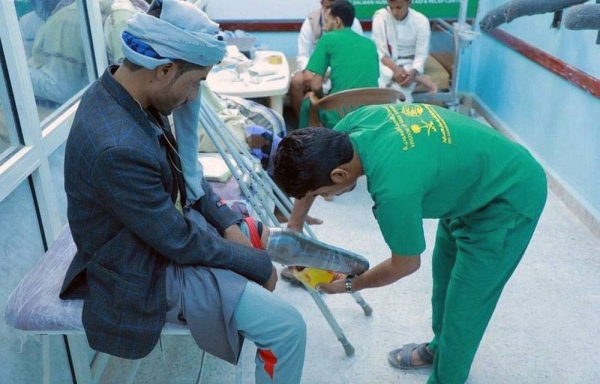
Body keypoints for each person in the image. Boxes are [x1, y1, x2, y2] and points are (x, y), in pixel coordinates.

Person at [59, 1, 306, 382]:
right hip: (141, 265)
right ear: (165, 69)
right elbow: (178, 242)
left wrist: (226, 222)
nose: (193, 98)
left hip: (158, 236)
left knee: (255, 233)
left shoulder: (127, 93)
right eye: (195, 84)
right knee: (287, 328)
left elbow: (183, 174)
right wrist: (253, 264)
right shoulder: (117, 146)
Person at [273, 103, 547, 384]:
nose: (327, 197)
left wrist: (349, 284)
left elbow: (405, 264)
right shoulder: (353, 128)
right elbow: (309, 174)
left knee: (466, 307)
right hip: (469, 182)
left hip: (509, 196)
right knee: (443, 281)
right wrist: (294, 229)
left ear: (339, 175)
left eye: (324, 193)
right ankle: (439, 348)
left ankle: (447, 377)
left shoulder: (393, 191)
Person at [297, 0, 379, 129]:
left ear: (337, 21)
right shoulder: (370, 44)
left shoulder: (328, 39)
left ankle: (303, 145)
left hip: (341, 114)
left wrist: (320, 96)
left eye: (327, 21)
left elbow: (316, 85)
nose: (324, 27)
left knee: (309, 101)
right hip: (370, 114)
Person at [289, 0, 363, 119]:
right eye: (328, 6)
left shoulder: (351, 23)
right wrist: (307, 70)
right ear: (322, 4)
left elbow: (356, 54)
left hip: (341, 68)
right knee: (297, 81)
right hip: (314, 68)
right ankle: (303, 126)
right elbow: (303, 53)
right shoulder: (311, 21)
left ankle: (316, 121)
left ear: (337, 22)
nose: (331, 10)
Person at [371, 0, 436, 103]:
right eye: (391, 8)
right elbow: (378, 51)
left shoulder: (421, 21)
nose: (394, 12)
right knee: (376, 80)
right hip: (386, 62)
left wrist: (412, 73)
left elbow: (421, 54)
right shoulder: (380, 17)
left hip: (409, 64)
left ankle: (414, 78)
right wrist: (395, 69)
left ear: (409, 3)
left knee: (400, 94)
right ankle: (419, 79)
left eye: (398, 7)